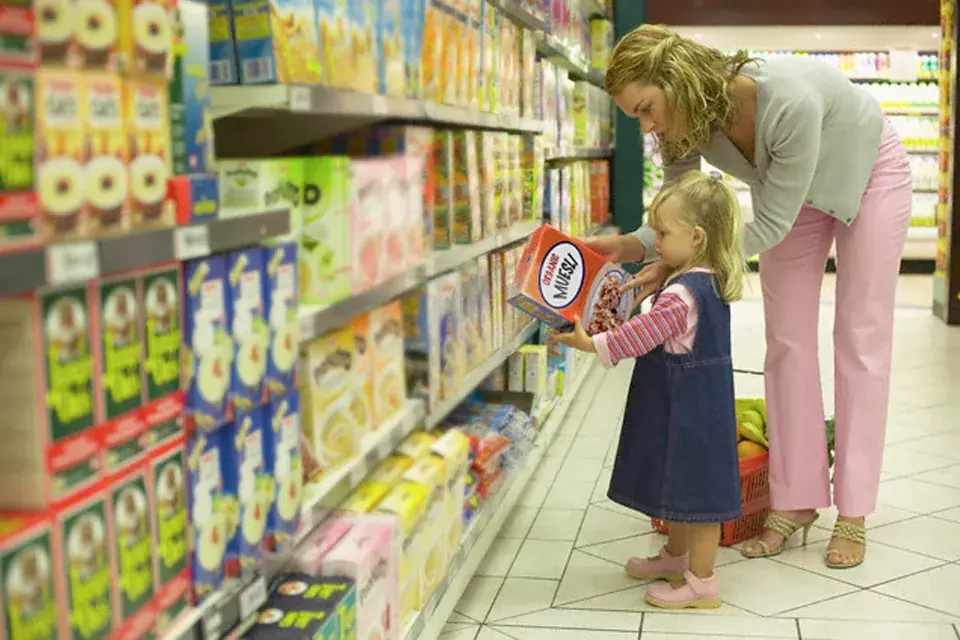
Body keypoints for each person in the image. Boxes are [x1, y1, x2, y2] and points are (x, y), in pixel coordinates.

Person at [584, 24, 912, 569]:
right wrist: (631, 245)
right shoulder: (680, 127)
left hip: (870, 175)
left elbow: (769, 226)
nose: (647, 126)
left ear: (677, 80)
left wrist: (678, 260)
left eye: (645, 108)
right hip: (795, 194)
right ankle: (795, 500)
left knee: (860, 339)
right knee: (786, 342)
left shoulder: (788, 101)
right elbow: (681, 216)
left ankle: (853, 511)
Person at [552, 171, 745, 610]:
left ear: (696, 237)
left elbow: (640, 335)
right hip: (696, 405)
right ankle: (677, 559)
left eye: (662, 232)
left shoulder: (682, 295)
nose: (654, 240)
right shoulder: (705, 277)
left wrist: (591, 343)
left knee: (700, 497)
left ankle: (702, 582)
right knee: (681, 486)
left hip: (691, 411)